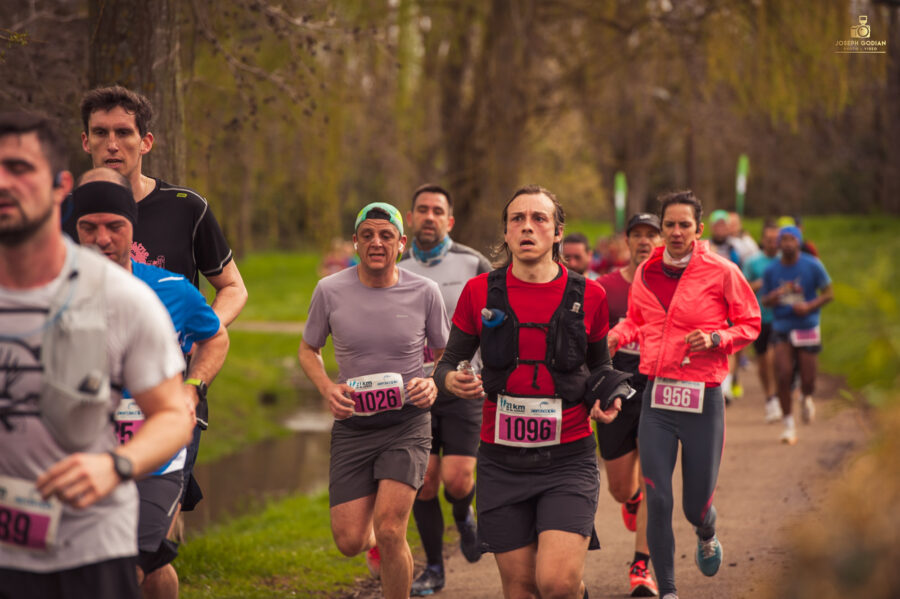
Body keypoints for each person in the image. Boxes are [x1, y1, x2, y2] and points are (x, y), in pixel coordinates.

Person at [0, 112, 193, 599]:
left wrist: (117, 465)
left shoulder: (122, 297)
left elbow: (173, 417)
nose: (4, 183)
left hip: (91, 549)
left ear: (58, 187)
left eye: (20, 168)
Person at [433, 185, 631, 599]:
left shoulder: (589, 296)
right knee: (521, 587)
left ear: (557, 232)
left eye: (539, 218)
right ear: (505, 233)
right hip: (501, 461)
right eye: (517, 219)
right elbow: (448, 363)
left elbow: (601, 367)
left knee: (556, 584)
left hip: (567, 459)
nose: (527, 227)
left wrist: (606, 396)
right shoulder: (479, 292)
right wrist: (452, 380)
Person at [71, 85, 248, 530]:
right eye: (101, 132)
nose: (113, 144)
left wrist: (189, 330)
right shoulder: (65, 214)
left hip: (170, 383)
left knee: (157, 521)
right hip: (88, 389)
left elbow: (232, 288)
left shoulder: (187, 208)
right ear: (85, 141)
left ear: (145, 142)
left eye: (124, 133)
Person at [71, 167, 229, 598]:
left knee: (129, 567)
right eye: (89, 227)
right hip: (82, 454)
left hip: (157, 456)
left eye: (114, 226)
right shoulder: (54, 292)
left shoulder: (172, 290)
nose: (102, 238)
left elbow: (215, 336)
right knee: (149, 567)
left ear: (132, 227)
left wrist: (192, 386)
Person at [608, 190, 760, 599]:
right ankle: (669, 590)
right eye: (669, 225)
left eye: (684, 225)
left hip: (702, 398)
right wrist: (617, 335)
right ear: (661, 229)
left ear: (699, 229)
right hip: (656, 398)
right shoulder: (647, 272)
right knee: (657, 499)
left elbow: (750, 322)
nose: (675, 232)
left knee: (694, 506)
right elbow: (637, 321)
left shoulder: (722, 271)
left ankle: (706, 530)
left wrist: (716, 337)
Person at [298, 202, 449, 599]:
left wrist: (432, 383)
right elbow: (307, 349)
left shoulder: (424, 291)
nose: (376, 242)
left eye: (386, 235)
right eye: (367, 235)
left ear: (402, 243)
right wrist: (328, 388)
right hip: (354, 426)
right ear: (355, 242)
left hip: (407, 423)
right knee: (350, 540)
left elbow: (445, 355)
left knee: (390, 528)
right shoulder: (330, 290)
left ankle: (392, 557)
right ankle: (381, 550)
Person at [398, 184, 492, 595]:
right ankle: (434, 567)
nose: (430, 217)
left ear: (449, 220)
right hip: (414, 390)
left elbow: (496, 322)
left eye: (438, 210)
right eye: (422, 210)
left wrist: (489, 374)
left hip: (462, 384)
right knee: (425, 481)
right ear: (412, 217)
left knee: (455, 479)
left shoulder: (474, 263)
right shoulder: (395, 267)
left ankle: (464, 513)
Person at [595, 213, 663, 597]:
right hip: (617, 387)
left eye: (650, 235)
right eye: (636, 235)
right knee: (620, 488)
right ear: (626, 241)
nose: (643, 241)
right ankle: (631, 499)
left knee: (656, 478)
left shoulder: (673, 286)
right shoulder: (605, 287)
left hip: (659, 386)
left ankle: (641, 568)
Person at [760, 225, 833, 445]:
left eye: (792, 239)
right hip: (782, 325)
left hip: (807, 325)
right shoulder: (771, 270)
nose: (787, 243)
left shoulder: (812, 265)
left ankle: (806, 396)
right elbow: (764, 300)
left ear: (799, 242)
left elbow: (829, 293)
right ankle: (788, 425)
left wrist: (810, 306)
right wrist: (772, 298)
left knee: (809, 379)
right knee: (783, 373)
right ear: (778, 243)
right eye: (784, 240)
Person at [742, 221, 781, 423]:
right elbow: (743, 287)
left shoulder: (787, 260)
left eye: (777, 240)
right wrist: (762, 283)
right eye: (769, 240)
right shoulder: (753, 262)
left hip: (783, 318)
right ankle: (770, 398)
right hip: (759, 318)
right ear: (763, 241)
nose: (773, 244)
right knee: (764, 362)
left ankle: (782, 393)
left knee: (776, 358)